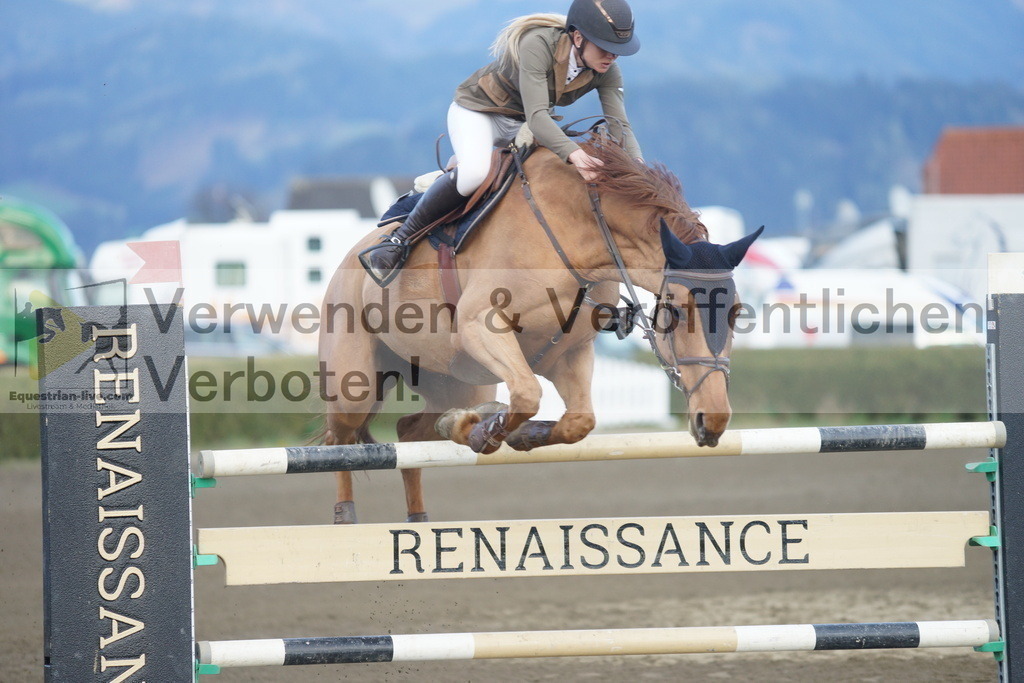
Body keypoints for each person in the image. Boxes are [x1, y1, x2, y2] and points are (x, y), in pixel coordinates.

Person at [361, 0, 644, 286]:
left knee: (557, 180)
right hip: (479, 112)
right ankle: (398, 240)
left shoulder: (607, 71)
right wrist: (575, 155)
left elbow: (620, 125)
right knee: (475, 173)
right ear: (579, 38)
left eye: (618, 50)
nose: (613, 56)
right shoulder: (538, 43)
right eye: (605, 47)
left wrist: (638, 168)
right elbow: (538, 116)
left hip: (522, 126)